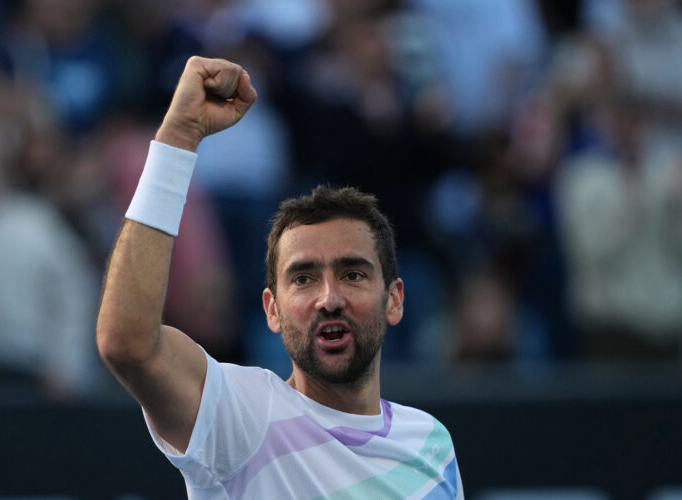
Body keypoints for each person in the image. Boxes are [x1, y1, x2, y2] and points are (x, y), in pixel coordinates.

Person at [96, 56, 463, 499]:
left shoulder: (431, 444)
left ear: (394, 299)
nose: (329, 298)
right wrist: (179, 136)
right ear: (272, 309)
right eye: (304, 279)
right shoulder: (242, 417)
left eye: (352, 274)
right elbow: (128, 343)